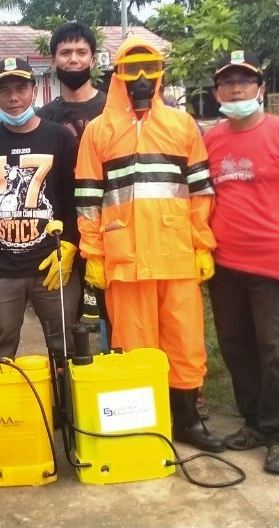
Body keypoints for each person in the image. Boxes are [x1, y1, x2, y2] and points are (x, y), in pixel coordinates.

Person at [74, 37, 223, 453]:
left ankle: (188, 421)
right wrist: (94, 255)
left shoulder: (182, 125)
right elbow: (87, 198)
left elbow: (200, 191)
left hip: (176, 256)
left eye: (149, 69)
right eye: (131, 69)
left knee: (185, 342)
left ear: (160, 73)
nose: (141, 78)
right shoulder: (98, 131)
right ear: (118, 74)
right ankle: (146, 425)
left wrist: (202, 244)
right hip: (125, 259)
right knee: (135, 346)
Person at [204, 51, 279, 474]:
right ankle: (254, 422)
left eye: (244, 80)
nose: (236, 88)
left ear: (261, 87)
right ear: (217, 90)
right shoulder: (211, 140)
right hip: (224, 265)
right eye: (227, 82)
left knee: (278, 351)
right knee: (237, 348)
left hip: (277, 264)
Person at [0, 57, 79, 360]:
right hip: (0, 271)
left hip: (52, 265)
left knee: (65, 350)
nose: (13, 97)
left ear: (35, 91)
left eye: (21, 88)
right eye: (5, 90)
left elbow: (72, 199)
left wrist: (71, 246)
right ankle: (3, 409)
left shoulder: (60, 137)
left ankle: (66, 408)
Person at [37, 22, 105, 139]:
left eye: (81, 53)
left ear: (92, 61)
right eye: (65, 53)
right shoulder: (41, 119)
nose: (73, 59)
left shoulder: (112, 108)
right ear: (53, 61)